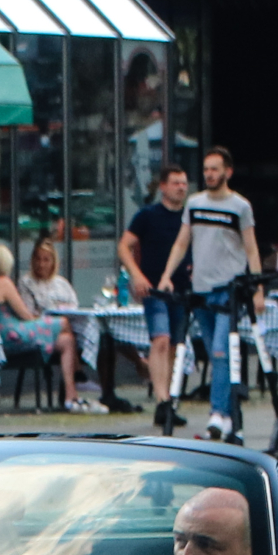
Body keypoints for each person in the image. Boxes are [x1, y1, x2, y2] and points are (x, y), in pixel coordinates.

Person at [157, 147, 264, 443]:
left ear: (227, 172)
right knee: (215, 352)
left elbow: (251, 248)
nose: (209, 175)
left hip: (228, 290)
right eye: (206, 169)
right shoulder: (195, 203)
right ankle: (229, 417)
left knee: (220, 351)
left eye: (215, 169)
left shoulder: (240, 206)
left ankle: (217, 414)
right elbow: (182, 243)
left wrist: (257, 289)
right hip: (201, 289)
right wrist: (167, 275)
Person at [0, 243, 91, 411]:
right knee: (63, 322)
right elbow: (25, 315)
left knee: (66, 340)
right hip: (11, 335)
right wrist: (41, 320)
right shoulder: (3, 283)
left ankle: (71, 395)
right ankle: (76, 375)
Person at [118, 166, 192, 409]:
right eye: (175, 183)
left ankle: (169, 397)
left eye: (184, 183)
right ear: (163, 186)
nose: (181, 187)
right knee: (160, 338)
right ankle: (161, 399)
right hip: (152, 288)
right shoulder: (147, 215)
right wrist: (137, 276)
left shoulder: (189, 218)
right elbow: (124, 246)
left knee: (173, 346)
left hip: (181, 288)